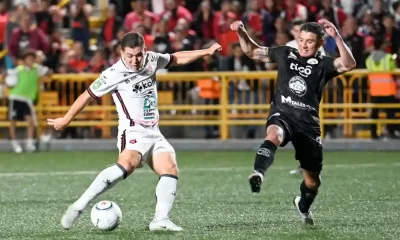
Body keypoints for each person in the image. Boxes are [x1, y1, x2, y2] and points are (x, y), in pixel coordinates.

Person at [48, 32, 222, 231]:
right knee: (128, 164)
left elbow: (177, 58)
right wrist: (66, 119)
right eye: (130, 55)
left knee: (170, 169)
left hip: (154, 132)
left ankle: (160, 220)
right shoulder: (113, 73)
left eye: (138, 55)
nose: (135, 60)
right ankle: (80, 205)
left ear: (144, 50)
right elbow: (86, 96)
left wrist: (206, 51)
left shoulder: (152, 60)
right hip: (132, 132)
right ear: (121, 52)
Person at [230, 19, 356, 225]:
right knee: (274, 135)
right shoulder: (284, 54)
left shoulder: (324, 64)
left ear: (319, 44)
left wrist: (337, 36)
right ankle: (258, 173)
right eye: (301, 40)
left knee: (312, 181)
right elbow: (252, 52)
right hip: (283, 114)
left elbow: (349, 64)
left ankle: (303, 205)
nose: (304, 45)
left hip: (308, 125)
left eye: (309, 41)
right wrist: (242, 32)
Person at [286, 19, 326, 175]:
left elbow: (321, 66)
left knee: (310, 129)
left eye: (299, 31)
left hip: (309, 93)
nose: (297, 35)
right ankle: (304, 162)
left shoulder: (314, 47)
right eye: (295, 32)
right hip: (291, 92)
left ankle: (314, 162)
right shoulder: (289, 46)